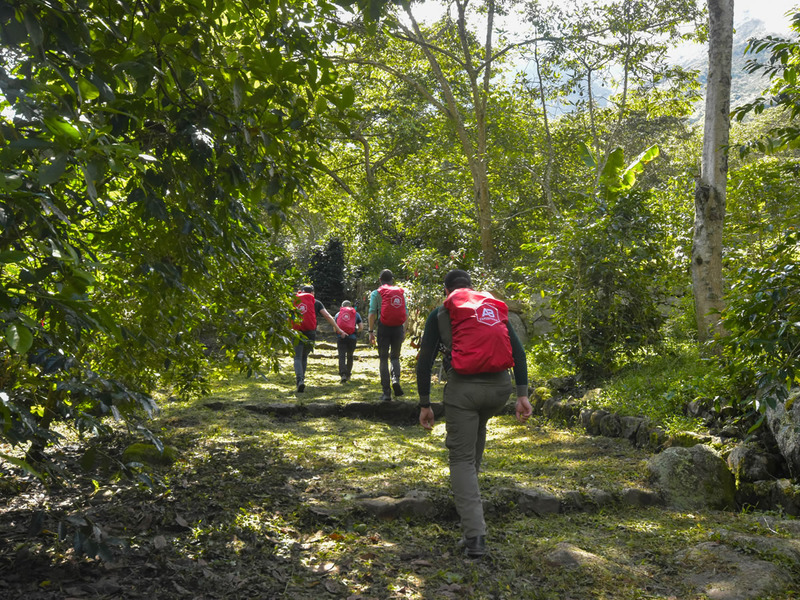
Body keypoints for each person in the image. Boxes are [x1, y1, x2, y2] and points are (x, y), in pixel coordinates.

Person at [415, 269, 532, 559]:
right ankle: (471, 523)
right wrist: (522, 395)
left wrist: (425, 403)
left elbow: (425, 360)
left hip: (464, 391)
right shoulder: (489, 307)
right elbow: (518, 353)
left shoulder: (442, 313)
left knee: (462, 459)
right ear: (471, 287)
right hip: (499, 390)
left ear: (447, 291)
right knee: (475, 443)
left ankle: (475, 537)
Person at [291, 285, 345, 393]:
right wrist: (338, 329)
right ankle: (302, 379)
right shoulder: (316, 302)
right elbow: (327, 316)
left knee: (297, 357)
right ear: (313, 293)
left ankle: (299, 381)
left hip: (296, 331)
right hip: (310, 333)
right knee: (304, 357)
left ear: (300, 292)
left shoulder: (294, 300)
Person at [368, 269, 407, 402]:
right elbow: (405, 312)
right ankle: (395, 379)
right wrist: (404, 330)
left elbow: (372, 313)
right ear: (392, 280)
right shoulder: (400, 293)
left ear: (380, 280)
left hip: (383, 328)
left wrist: (371, 331)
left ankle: (386, 393)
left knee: (383, 359)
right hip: (397, 328)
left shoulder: (376, 293)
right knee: (395, 358)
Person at [334, 300, 362, 383]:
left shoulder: (338, 314)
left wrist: (340, 333)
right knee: (350, 356)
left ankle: (342, 374)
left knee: (341, 356)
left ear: (342, 307)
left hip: (341, 337)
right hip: (352, 338)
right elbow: (361, 327)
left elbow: (334, 328)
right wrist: (355, 332)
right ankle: (348, 374)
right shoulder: (356, 314)